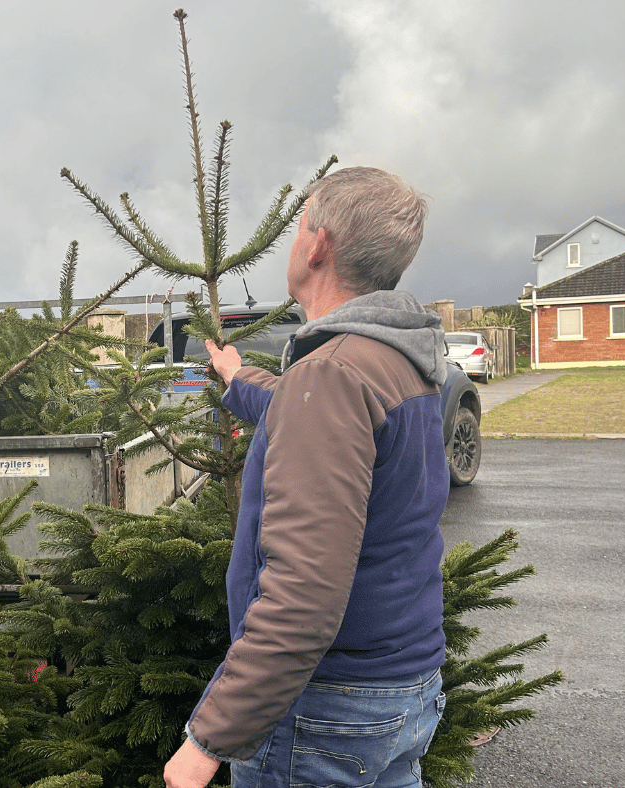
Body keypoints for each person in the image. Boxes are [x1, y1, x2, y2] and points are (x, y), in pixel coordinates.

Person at [165, 167, 449, 788]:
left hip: (327, 712)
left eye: (297, 231)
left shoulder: (334, 375)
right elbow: (312, 422)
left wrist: (208, 742)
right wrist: (239, 380)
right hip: (403, 685)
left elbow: (305, 590)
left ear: (317, 245)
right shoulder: (397, 359)